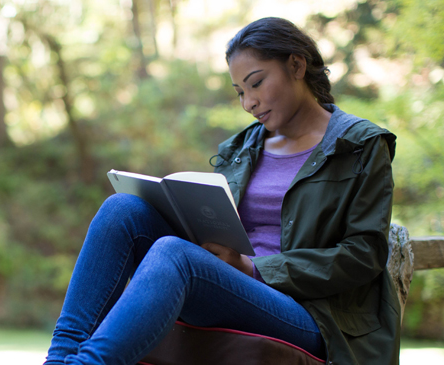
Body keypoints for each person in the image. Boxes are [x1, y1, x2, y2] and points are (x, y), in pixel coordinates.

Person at [44, 17, 399, 365]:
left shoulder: (361, 145)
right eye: (240, 92)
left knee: (174, 253)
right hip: (231, 288)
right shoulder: (241, 148)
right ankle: (59, 359)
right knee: (121, 209)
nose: (249, 103)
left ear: (296, 65)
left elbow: (363, 254)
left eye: (257, 83)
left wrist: (257, 269)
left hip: (313, 315)